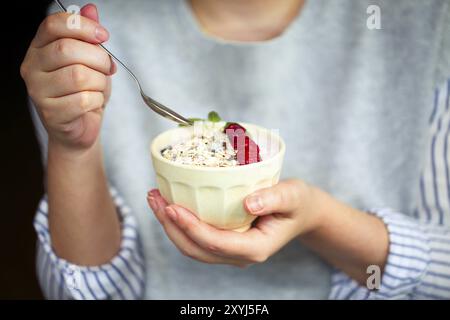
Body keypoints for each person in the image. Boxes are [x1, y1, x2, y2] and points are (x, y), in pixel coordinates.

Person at [20, 0, 450, 299]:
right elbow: (82, 294)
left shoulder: (419, 25)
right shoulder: (92, 38)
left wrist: (321, 221)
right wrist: (72, 149)